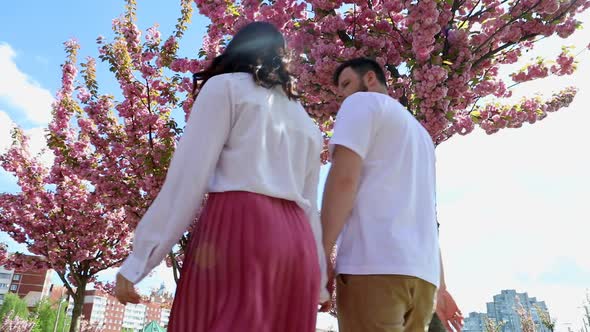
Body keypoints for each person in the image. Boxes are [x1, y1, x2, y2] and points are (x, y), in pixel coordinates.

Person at [114, 21, 328, 332]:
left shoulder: (226, 87)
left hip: (241, 226)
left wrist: (139, 260)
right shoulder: (307, 123)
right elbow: (310, 207)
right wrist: (319, 279)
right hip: (298, 246)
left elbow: (188, 179)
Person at [320, 57, 461, 331]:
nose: (344, 95)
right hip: (422, 280)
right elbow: (427, 216)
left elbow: (344, 180)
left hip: (374, 266)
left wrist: (321, 252)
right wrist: (441, 287)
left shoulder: (361, 103)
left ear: (370, 78)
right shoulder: (422, 136)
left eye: (347, 83)